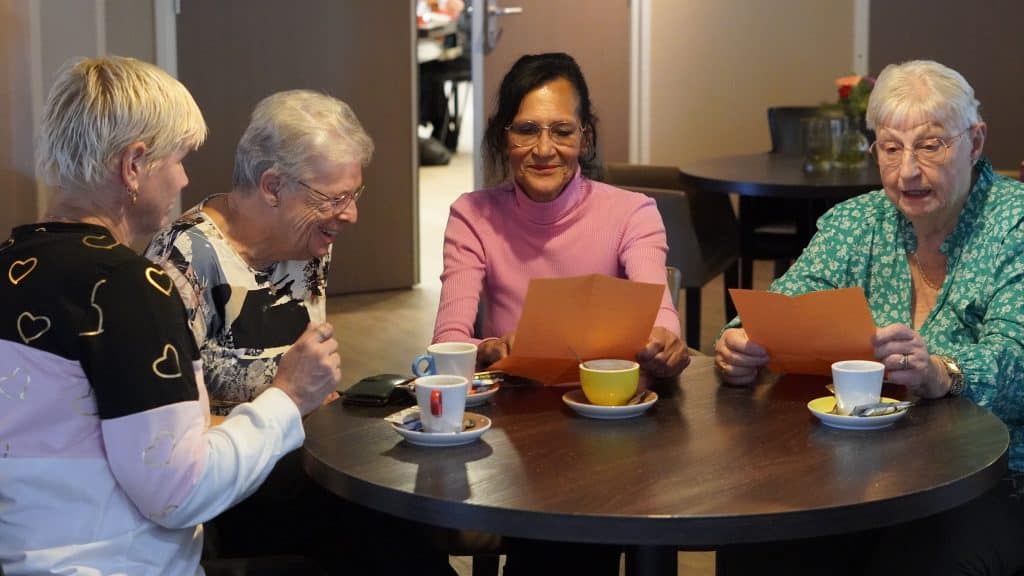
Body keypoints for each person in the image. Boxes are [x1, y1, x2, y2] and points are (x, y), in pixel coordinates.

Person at [0, 56, 338, 575]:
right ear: (133, 165)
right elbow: (181, 492)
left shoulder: (10, 267)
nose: (184, 177)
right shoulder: (129, 290)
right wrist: (287, 398)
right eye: (179, 158)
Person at [715, 60, 1024, 575]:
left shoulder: (1015, 224)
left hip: (993, 479)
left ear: (975, 141)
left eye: (930, 145)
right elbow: (786, 303)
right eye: (890, 147)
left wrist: (942, 371)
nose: (907, 171)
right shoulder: (857, 221)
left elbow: (1017, 359)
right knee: (756, 542)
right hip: (862, 473)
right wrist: (741, 343)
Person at [145, 90, 455, 576]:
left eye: (355, 195)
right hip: (234, 484)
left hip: (308, 457)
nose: (350, 214)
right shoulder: (182, 261)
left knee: (405, 490)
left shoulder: (305, 240)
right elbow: (172, 435)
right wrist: (285, 403)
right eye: (334, 198)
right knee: (383, 524)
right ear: (272, 186)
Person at [432, 52, 689, 381]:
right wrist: (490, 348)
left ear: (586, 139)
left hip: (607, 403)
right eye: (526, 130)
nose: (543, 150)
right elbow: (447, 342)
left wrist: (665, 343)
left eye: (562, 131)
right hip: (513, 406)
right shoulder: (472, 216)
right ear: (503, 137)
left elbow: (661, 319)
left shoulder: (633, 213)